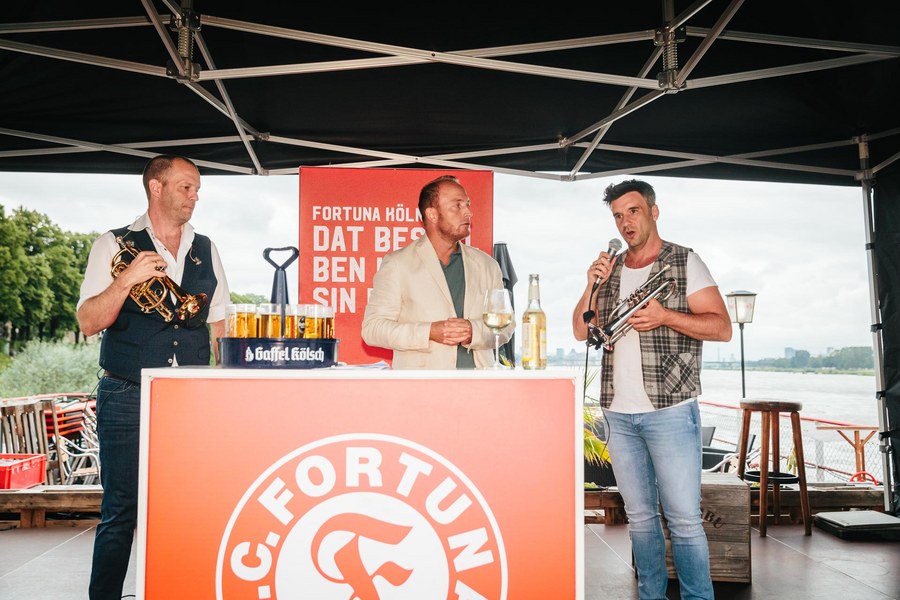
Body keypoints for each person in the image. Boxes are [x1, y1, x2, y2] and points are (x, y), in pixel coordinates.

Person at [77, 154, 230, 600]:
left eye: (197, 189)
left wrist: (225, 386)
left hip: (190, 396)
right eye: (186, 187)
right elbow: (88, 321)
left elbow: (220, 324)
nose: (195, 196)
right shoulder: (113, 243)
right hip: (126, 391)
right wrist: (126, 280)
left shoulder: (206, 248)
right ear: (156, 188)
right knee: (120, 509)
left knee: (187, 504)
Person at [571, 179, 732, 600]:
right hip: (618, 414)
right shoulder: (611, 269)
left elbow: (722, 327)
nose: (625, 222)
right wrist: (591, 283)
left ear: (653, 212)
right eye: (617, 216)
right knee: (640, 519)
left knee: (684, 520)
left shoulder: (685, 260)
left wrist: (667, 317)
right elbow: (580, 330)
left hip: (671, 411)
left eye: (633, 211)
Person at [362, 174, 512, 368]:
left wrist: (473, 331)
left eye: (467, 205)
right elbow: (372, 329)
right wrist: (429, 332)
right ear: (432, 214)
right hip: (422, 384)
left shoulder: (487, 265)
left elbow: (506, 327)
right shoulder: (397, 264)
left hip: (479, 382)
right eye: (457, 205)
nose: (468, 212)